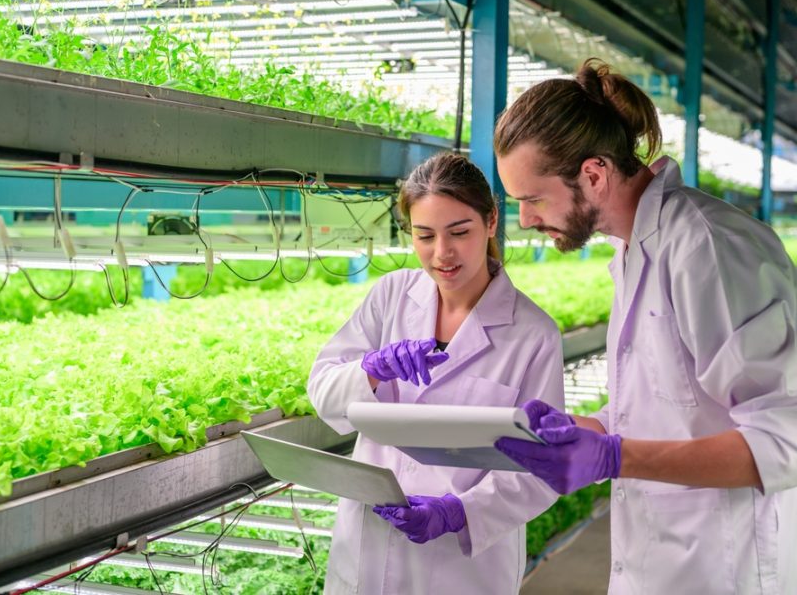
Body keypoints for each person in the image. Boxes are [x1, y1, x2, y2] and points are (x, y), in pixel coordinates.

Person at [492, 58, 797, 593]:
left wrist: (614, 456)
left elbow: (784, 437)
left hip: (730, 568)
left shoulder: (707, 247)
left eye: (533, 199)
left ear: (594, 174)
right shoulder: (634, 250)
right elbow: (673, 405)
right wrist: (589, 429)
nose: (526, 220)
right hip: (661, 561)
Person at [308, 152, 564, 594]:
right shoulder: (391, 295)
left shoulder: (532, 334)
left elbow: (545, 466)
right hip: (368, 546)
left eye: (458, 232)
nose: (441, 253)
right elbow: (324, 393)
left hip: (461, 568)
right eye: (424, 235)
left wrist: (458, 512)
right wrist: (371, 370)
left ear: (490, 222)